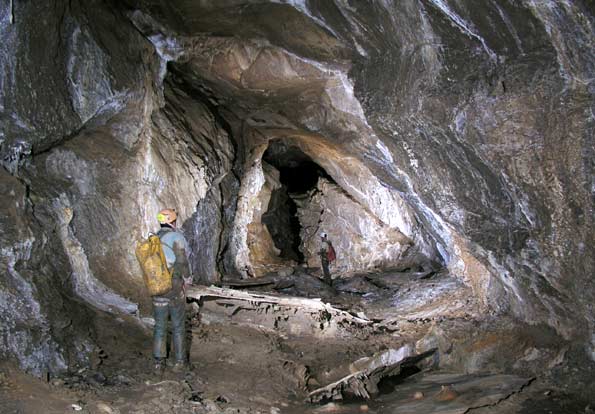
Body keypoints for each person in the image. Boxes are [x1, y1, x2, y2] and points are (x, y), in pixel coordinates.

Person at [152, 208, 192, 372]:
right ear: (172, 222)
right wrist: (188, 278)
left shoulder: (154, 238)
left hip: (157, 286)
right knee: (177, 325)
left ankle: (158, 364)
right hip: (174, 286)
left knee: (160, 326)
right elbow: (182, 261)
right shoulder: (176, 237)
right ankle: (180, 362)